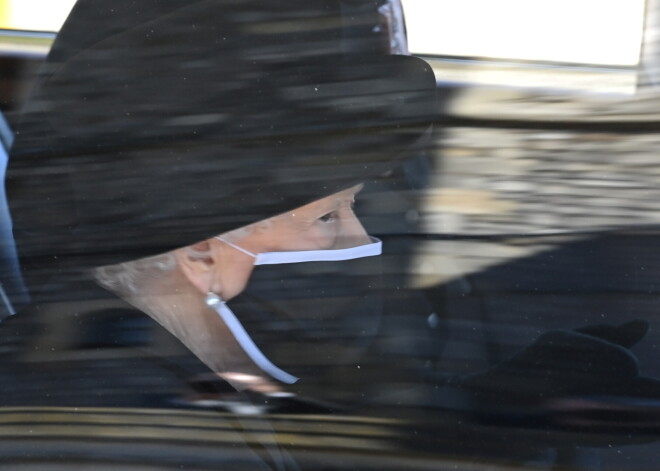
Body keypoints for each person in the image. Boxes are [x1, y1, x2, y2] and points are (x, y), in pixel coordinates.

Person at [6, 0, 437, 402]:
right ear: (200, 253)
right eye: (327, 216)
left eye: (351, 208)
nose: (362, 239)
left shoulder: (196, 394)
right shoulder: (125, 426)